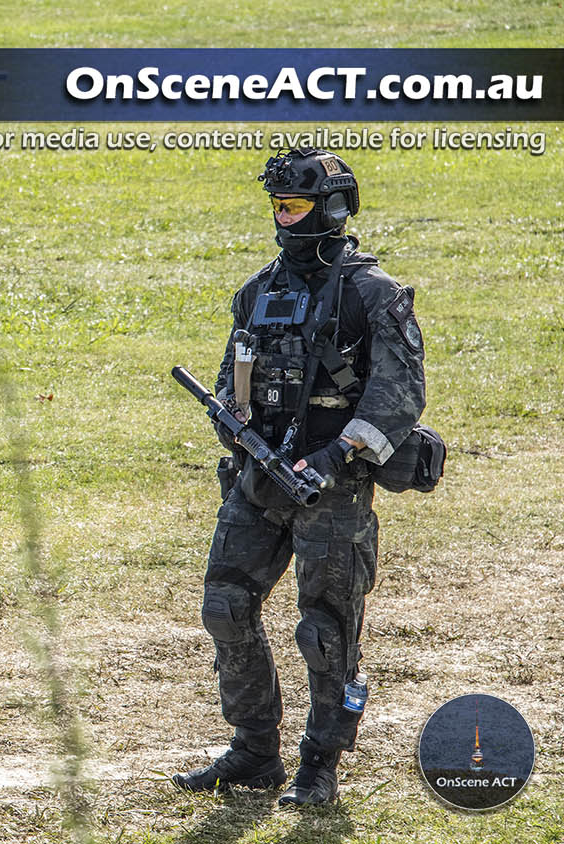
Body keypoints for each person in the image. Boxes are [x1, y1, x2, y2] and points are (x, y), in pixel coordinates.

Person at [172, 148, 426, 805]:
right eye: (277, 206)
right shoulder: (258, 292)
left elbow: (399, 396)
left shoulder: (375, 295)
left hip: (332, 490)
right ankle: (254, 753)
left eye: (294, 206)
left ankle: (321, 766)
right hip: (260, 482)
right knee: (224, 607)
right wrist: (233, 423)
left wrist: (336, 457)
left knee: (325, 631)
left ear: (333, 209)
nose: (282, 219)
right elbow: (233, 376)